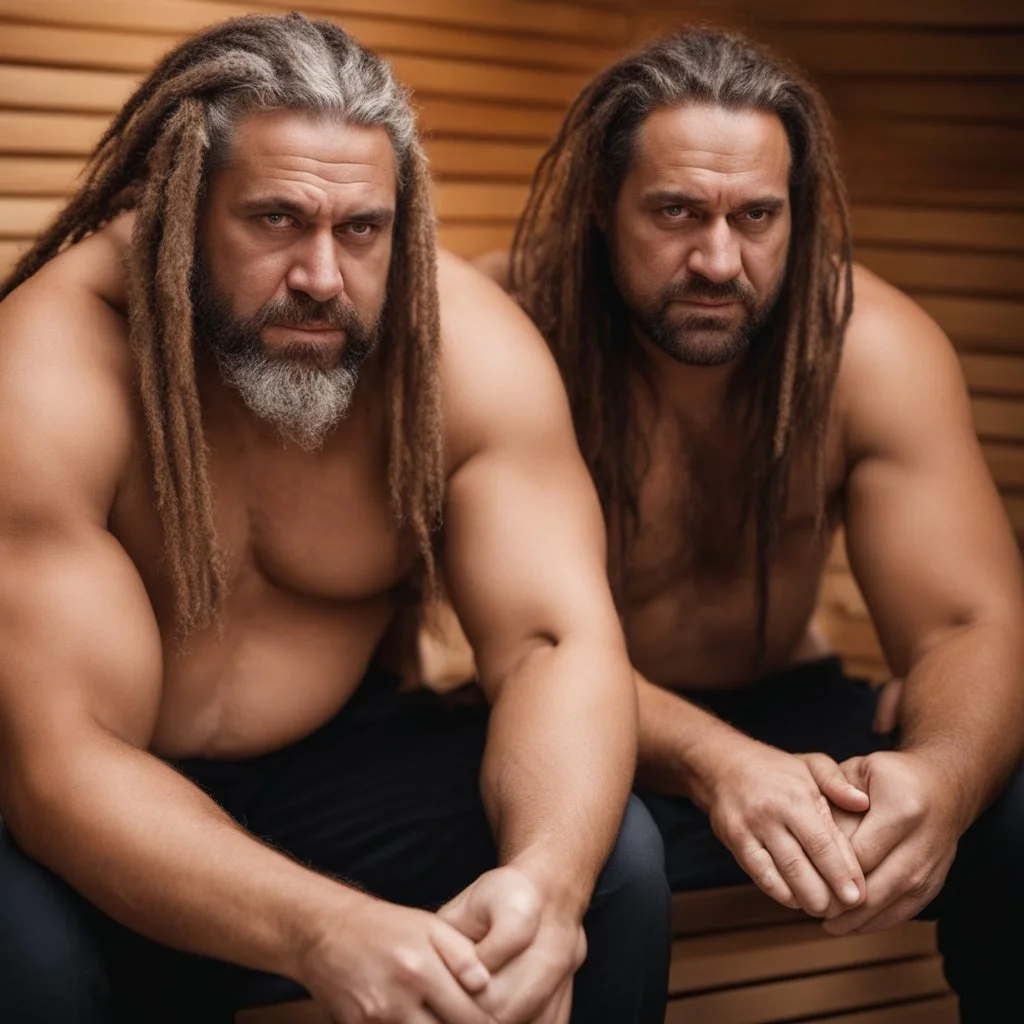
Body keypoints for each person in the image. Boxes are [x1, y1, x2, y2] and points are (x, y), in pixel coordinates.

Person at [0, 13, 671, 1024]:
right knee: (31, 972)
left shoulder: (462, 353)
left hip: (331, 769)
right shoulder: (52, 369)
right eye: (274, 220)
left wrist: (548, 883)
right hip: (68, 806)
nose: (322, 278)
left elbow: (553, 644)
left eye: (360, 229)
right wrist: (323, 928)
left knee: (614, 864)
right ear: (180, 209)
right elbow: (63, 760)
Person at [458, 28, 1024, 1022]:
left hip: (780, 711)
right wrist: (721, 764)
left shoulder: (868, 349)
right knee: (602, 846)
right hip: (536, 721)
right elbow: (508, 646)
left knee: (1017, 805)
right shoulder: (503, 329)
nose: (718, 258)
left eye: (755, 216)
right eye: (676, 212)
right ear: (601, 202)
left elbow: (967, 622)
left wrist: (941, 773)